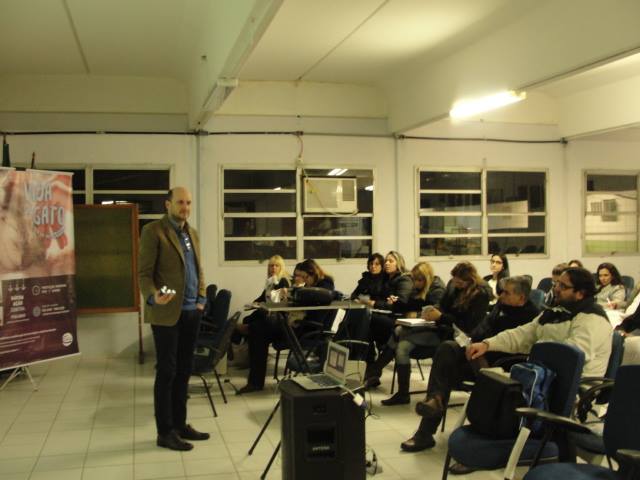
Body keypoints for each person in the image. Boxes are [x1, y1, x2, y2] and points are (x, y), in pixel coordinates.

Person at [400, 276, 539, 451]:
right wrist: (471, 342)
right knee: (447, 349)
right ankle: (433, 405)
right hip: (477, 355)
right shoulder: (500, 307)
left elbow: (516, 347)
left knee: (444, 374)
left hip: (498, 368)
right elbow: (480, 331)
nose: (501, 295)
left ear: (521, 298)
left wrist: (481, 347)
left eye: (506, 293)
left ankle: (427, 429)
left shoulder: (531, 317)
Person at [138, 187, 209, 451]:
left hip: (192, 311)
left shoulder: (193, 233)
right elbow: (144, 274)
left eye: (188, 202)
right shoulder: (153, 231)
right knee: (167, 372)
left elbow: (199, 269)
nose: (185, 207)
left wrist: (202, 298)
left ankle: (180, 425)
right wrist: (153, 295)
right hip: (166, 313)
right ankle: (164, 432)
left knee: (184, 371)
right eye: (180, 202)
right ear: (168, 204)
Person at [238, 258, 335, 394]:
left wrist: (297, 293)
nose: (303, 280)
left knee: (258, 328)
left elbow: (315, 303)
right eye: (299, 276)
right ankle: (255, 381)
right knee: (258, 327)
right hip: (295, 324)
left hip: (306, 328)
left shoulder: (325, 284)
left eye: (304, 277)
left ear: (313, 274)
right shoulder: (309, 285)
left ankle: (255, 382)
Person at [363, 262, 446, 399]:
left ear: (425, 279)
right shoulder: (418, 288)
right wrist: (396, 303)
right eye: (414, 280)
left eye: (417, 280)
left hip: (437, 332)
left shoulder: (437, 290)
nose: (414, 283)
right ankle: (400, 392)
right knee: (401, 344)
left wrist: (417, 315)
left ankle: (374, 372)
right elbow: (409, 305)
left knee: (398, 332)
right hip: (422, 329)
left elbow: (435, 313)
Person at [235, 255, 291, 337]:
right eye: (271, 266)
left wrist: (260, 304)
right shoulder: (270, 281)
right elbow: (262, 297)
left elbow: (277, 301)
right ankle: (243, 341)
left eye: (277, 266)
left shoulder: (283, 281)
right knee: (247, 319)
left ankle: (243, 339)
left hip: (276, 315)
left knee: (251, 322)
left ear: (281, 268)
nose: (273, 268)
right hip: (267, 310)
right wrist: (253, 303)